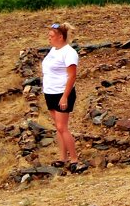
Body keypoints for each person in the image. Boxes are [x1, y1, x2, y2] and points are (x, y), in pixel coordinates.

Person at [42, 22, 85, 171]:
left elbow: (72, 76)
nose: (49, 38)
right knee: (58, 128)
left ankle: (74, 160)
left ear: (60, 37)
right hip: (50, 92)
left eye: (51, 36)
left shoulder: (69, 53)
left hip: (62, 93)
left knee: (62, 127)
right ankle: (63, 158)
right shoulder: (53, 50)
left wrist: (65, 96)